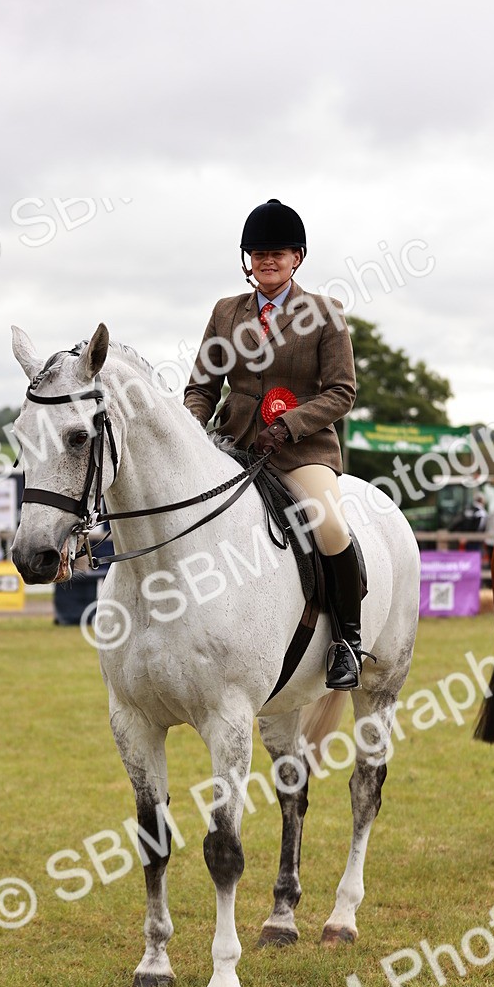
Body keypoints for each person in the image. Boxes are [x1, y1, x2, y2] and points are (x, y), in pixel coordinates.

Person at [184, 198, 363, 688]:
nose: (268, 260)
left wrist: (291, 424)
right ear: (248, 259)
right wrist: (193, 433)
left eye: (278, 252)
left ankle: (348, 641)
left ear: (296, 257)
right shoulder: (225, 312)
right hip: (232, 443)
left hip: (301, 450)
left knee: (328, 527)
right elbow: (202, 386)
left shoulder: (325, 314)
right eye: (259, 252)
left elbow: (342, 392)